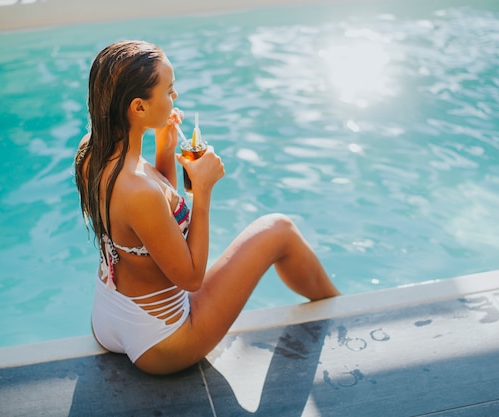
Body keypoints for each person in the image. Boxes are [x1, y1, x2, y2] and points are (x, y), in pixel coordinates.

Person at [74, 40, 340, 375]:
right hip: (163, 340)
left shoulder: (92, 154)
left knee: (276, 230)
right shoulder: (139, 190)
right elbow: (190, 277)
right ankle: (343, 308)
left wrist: (165, 149)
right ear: (138, 107)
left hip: (111, 316)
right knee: (279, 230)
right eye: (169, 91)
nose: (175, 98)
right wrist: (203, 191)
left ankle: (338, 303)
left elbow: (151, 225)